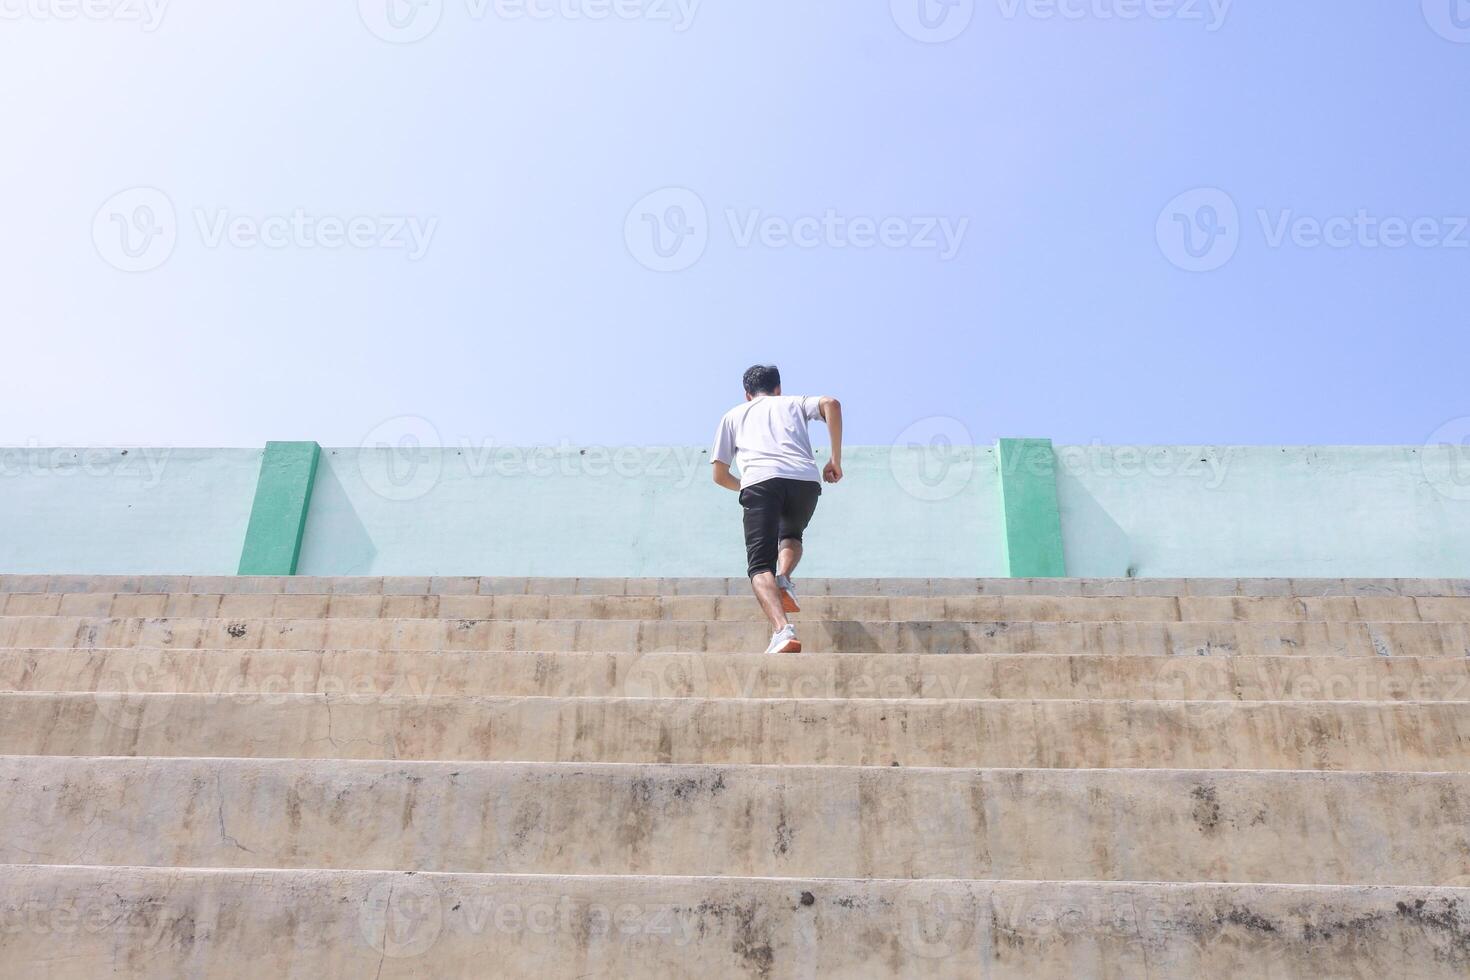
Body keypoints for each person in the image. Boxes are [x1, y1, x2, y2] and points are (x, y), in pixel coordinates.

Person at [711, 365, 843, 653]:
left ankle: (783, 631)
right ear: (778, 389)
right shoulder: (794, 403)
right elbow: (831, 404)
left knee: (759, 566)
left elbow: (719, 474)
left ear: (747, 394)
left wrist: (747, 485)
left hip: (760, 482)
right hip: (804, 481)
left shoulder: (733, 415)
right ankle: (784, 576)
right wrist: (835, 460)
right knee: (792, 535)